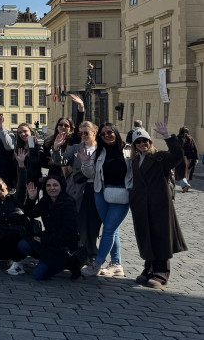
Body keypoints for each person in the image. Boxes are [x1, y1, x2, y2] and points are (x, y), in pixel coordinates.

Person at [128, 122, 187, 288]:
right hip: (141, 205)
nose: (142, 144)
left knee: (161, 237)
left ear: (150, 142)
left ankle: (161, 273)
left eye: (145, 141)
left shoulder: (159, 157)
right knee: (146, 236)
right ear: (134, 146)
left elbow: (177, 155)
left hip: (159, 204)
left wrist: (167, 136)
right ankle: (148, 268)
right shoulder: (133, 161)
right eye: (138, 142)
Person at [78, 123, 130, 278]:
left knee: (108, 229)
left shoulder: (128, 149)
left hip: (122, 193)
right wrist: (86, 161)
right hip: (101, 192)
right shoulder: (99, 151)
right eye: (103, 134)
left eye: (110, 132)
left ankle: (97, 264)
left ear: (116, 132)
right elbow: (91, 174)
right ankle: (116, 264)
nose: (107, 135)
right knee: (111, 229)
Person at [52, 120, 101, 267]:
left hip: (95, 189)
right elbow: (60, 161)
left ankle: (92, 253)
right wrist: (56, 148)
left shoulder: (100, 149)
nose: (83, 135)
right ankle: (78, 251)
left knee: (93, 223)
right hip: (77, 189)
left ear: (94, 132)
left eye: (86, 132)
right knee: (76, 221)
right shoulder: (76, 148)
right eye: (81, 133)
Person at [18, 175, 82, 281]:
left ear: (61, 187)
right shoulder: (46, 201)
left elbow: (69, 232)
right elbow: (31, 213)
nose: (52, 188)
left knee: (38, 275)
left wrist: (44, 239)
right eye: (48, 185)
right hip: (49, 240)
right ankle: (47, 260)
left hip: (63, 245)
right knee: (23, 245)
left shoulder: (68, 204)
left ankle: (66, 263)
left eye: (55, 185)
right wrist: (31, 198)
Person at [175, 127, 198, 193]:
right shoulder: (190, 138)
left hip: (181, 157)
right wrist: (196, 158)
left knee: (180, 173)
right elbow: (194, 148)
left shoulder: (178, 138)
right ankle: (185, 187)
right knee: (186, 173)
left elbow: (175, 148)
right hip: (189, 158)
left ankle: (185, 185)